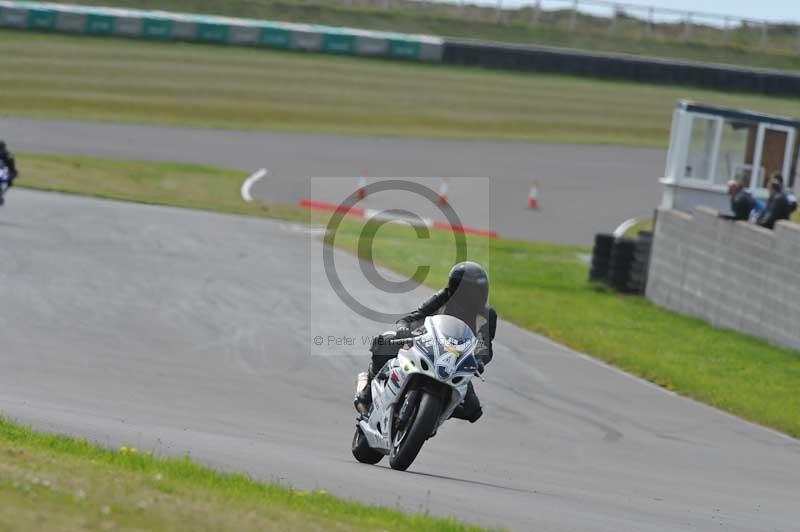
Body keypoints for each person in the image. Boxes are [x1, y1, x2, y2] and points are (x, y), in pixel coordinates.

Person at [354, 261, 497, 423]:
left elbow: (485, 346)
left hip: (456, 361)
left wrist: (479, 360)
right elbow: (413, 317)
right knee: (385, 341)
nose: (473, 296)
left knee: (473, 411)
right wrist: (403, 329)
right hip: (428, 346)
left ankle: (431, 417)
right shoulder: (443, 297)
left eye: (477, 291)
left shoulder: (488, 314)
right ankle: (367, 393)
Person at [0, 141, 19, 207]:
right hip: (4, 173)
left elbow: (12, 168)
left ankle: (1, 194)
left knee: (9, 182)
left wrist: (12, 175)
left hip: (4, 173)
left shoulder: (8, 155)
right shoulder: (8, 154)